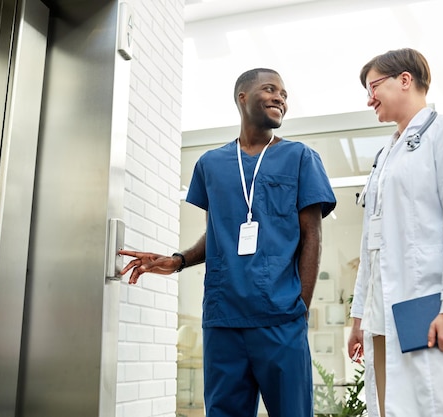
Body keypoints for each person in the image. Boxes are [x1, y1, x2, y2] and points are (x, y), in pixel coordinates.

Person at [120, 68, 336, 417]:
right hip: (224, 321)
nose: (281, 97)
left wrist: (300, 310)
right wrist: (178, 260)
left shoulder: (300, 157)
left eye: (284, 94)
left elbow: (313, 236)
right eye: (271, 89)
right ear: (243, 97)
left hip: (280, 319)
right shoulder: (210, 164)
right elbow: (218, 234)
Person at [347, 48, 443, 417]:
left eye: (373, 87)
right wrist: (358, 319)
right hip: (383, 316)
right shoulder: (385, 157)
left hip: (432, 308)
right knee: (388, 406)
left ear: (405, 79)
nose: (369, 99)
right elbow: (371, 244)